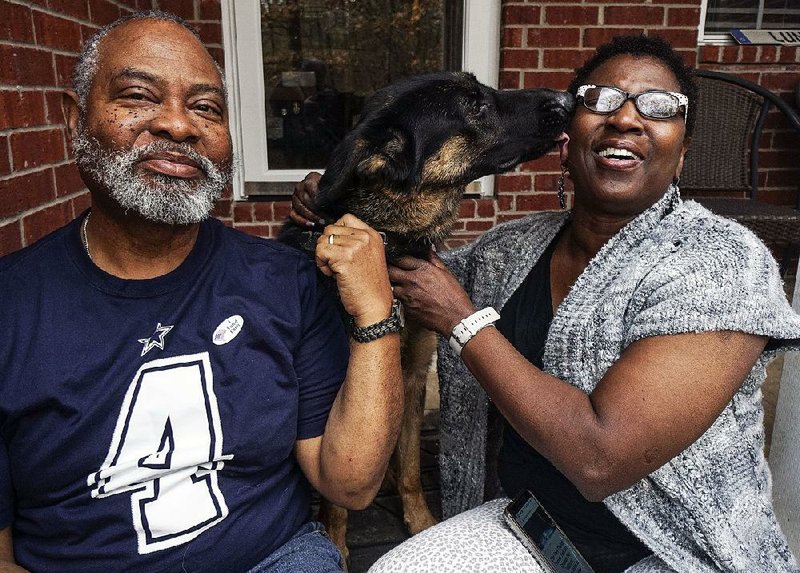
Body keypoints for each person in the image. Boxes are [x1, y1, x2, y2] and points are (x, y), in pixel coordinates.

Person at [293, 36, 800, 572]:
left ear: (682, 151)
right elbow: (402, 271)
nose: (626, 119)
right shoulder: (512, 249)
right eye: (601, 99)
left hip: (675, 554)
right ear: (566, 140)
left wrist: (464, 323)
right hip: (528, 527)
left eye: (659, 107)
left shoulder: (723, 263)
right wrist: (337, 201)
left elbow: (601, 459)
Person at [0, 10, 404, 573]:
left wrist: (375, 310)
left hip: (274, 559)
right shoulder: (11, 308)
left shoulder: (286, 282)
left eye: (206, 107)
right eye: (139, 96)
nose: (179, 126)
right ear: (75, 120)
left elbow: (352, 483)